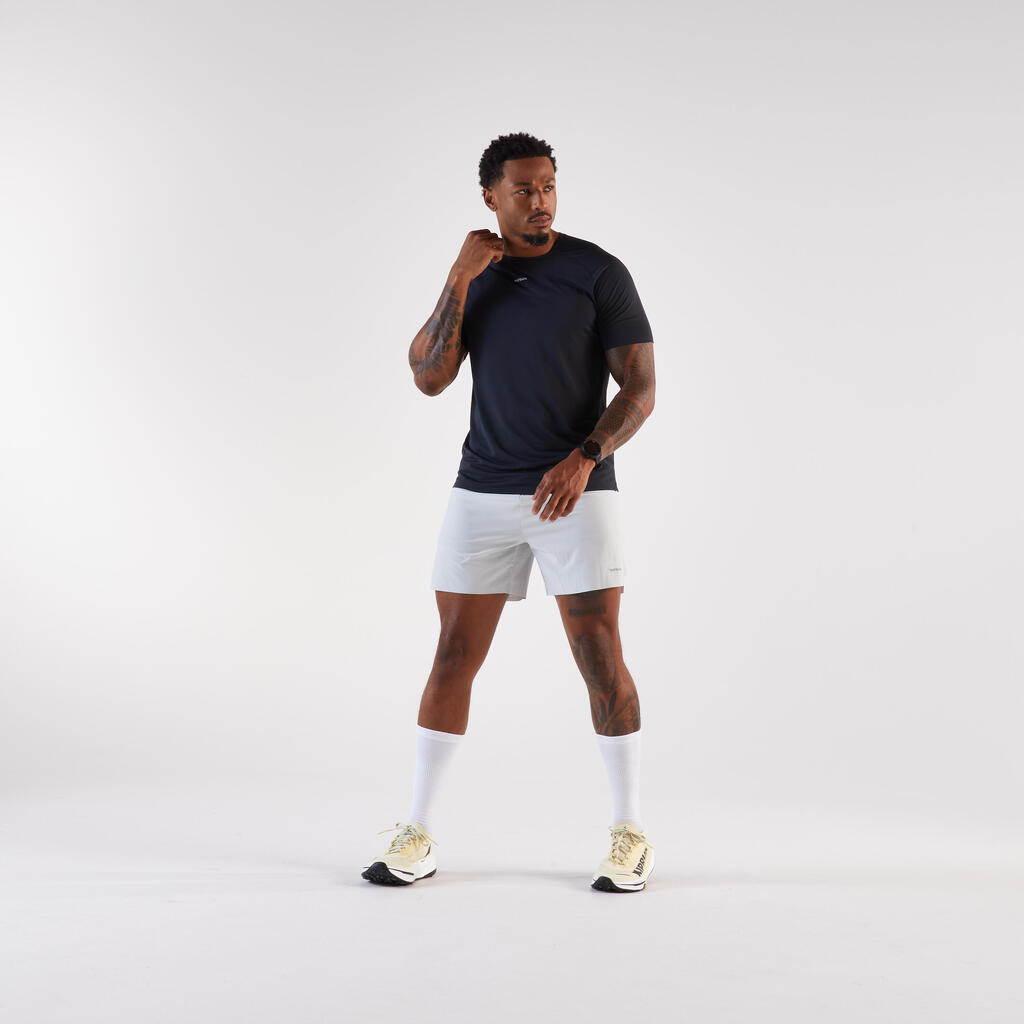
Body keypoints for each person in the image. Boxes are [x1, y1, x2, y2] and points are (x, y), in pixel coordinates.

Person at [361, 132, 657, 892]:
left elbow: (640, 387)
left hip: (575, 491)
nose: (539, 201)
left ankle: (630, 833)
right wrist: (459, 276)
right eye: (523, 190)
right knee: (452, 654)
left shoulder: (598, 272)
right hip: (483, 488)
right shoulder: (476, 277)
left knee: (599, 652)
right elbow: (428, 377)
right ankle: (417, 833)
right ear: (491, 197)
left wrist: (585, 457)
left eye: (548, 186)